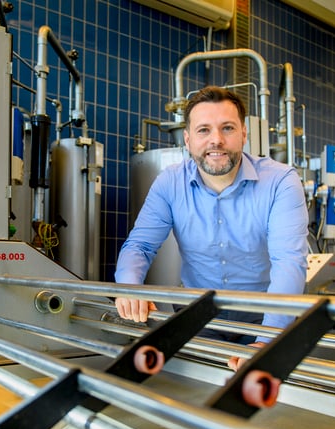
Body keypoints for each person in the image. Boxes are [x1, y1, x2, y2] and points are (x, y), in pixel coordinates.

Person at [114, 86, 309, 369]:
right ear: (188, 139)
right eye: (204, 130)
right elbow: (140, 246)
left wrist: (269, 338)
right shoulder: (170, 182)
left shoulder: (280, 181)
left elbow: (289, 260)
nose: (216, 140)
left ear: (244, 133)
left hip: (264, 317)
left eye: (227, 128)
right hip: (197, 315)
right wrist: (130, 287)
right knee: (191, 392)